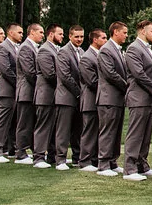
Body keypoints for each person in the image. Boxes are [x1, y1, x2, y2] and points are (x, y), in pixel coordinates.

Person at [122, 20, 152, 181]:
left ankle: (142, 165)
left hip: (149, 98)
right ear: (143, 31)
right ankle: (129, 169)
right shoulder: (133, 49)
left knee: (145, 134)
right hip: (139, 97)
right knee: (136, 134)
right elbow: (138, 74)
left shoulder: (148, 50)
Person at [96, 22, 129, 177]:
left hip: (117, 98)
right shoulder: (106, 50)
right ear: (115, 32)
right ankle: (103, 164)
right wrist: (127, 86)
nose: (126, 35)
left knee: (115, 132)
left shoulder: (116, 50)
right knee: (108, 131)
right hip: (108, 98)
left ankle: (112, 161)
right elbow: (110, 74)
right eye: (124, 32)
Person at [32, 24, 62, 168]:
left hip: (54, 95)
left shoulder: (55, 49)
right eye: (60, 34)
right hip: (45, 95)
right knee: (43, 126)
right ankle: (38, 157)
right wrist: (65, 81)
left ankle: (52, 156)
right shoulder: (44, 50)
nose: (62, 37)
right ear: (52, 34)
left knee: (53, 127)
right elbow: (49, 74)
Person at [53, 25, 83, 170]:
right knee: (63, 130)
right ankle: (61, 159)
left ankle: (77, 158)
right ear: (70, 36)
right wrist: (79, 92)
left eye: (81, 37)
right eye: (76, 36)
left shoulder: (82, 51)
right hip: (66, 97)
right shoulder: (63, 52)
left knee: (78, 130)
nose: (79, 39)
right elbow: (65, 76)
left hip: (79, 98)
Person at [14, 22, 44, 164]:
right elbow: (29, 72)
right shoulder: (26, 48)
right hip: (26, 91)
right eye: (40, 32)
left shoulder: (33, 47)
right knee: (24, 123)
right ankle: (20, 153)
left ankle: (27, 150)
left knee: (30, 122)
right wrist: (40, 84)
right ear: (32, 32)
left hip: (32, 92)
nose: (42, 35)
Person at [0, 24, 20, 162]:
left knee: (14, 122)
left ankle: (11, 149)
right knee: (2, 121)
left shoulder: (17, 47)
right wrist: (19, 83)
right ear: (11, 32)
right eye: (19, 32)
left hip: (15, 91)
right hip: (7, 91)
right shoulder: (3, 48)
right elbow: (6, 70)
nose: (21, 34)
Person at [78, 29, 104, 171]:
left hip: (99, 99)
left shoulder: (99, 55)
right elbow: (92, 81)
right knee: (89, 131)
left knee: (97, 131)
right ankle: (85, 160)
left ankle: (94, 159)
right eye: (103, 38)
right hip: (90, 100)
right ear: (95, 40)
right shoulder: (87, 57)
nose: (106, 41)